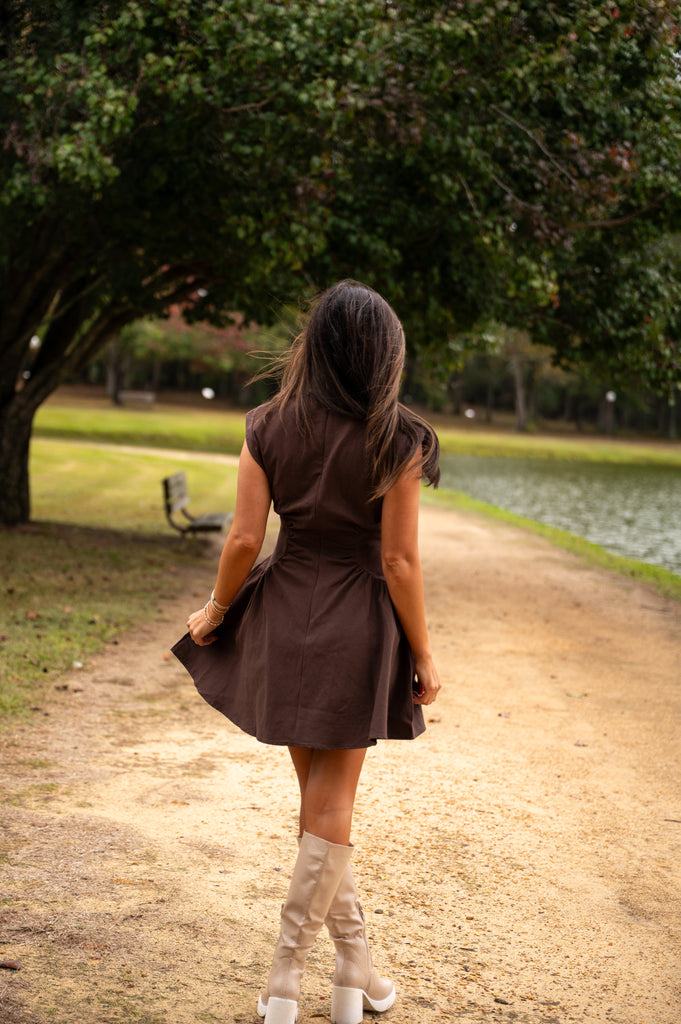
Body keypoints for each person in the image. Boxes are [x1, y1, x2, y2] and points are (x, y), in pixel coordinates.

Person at [172, 279, 441, 1024]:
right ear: (384, 356)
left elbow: (245, 539)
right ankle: (287, 975)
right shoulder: (399, 438)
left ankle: (355, 969)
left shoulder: (265, 424)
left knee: (317, 807)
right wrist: (423, 653)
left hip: (284, 614)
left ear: (313, 347)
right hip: (358, 622)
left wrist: (217, 609)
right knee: (332, 805)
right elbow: (398, 564)